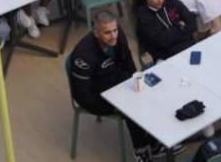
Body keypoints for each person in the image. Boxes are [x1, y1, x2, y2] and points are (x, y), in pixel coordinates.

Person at [68, 11, 175, 162]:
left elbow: (127, 61)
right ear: (96, 33)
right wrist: (112, 107)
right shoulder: (84, 55)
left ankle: (153, 143)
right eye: (107, 33)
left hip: (115, 80)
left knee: (147, 95)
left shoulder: (118, 35)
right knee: (131, 108)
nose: (113, 36)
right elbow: (82, 95)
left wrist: (134, 80)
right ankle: (140, 150)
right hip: (95, 94)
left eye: (115, 30)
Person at [133, 0, 199, 62]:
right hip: (166, 57)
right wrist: (179, 26)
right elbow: (161, 42)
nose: (160, 0)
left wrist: (169, 32)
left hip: (189, 48)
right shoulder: (143, 17)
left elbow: (193, 24)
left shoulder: (173, 2)